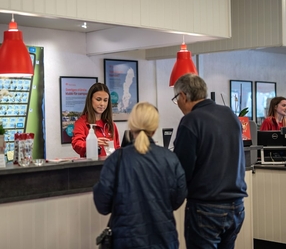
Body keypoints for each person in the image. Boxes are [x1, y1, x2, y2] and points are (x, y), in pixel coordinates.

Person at [93, 102, 187, 248]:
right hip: (164, 240)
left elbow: (102, 205)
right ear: (155, 128)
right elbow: (178, 199)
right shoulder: (170, 158)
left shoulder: (116, 160)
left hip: (125, 241)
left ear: (131, 126)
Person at [172, 73, 247, 249]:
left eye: (176, 99)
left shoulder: (190, 121)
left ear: (183, 95)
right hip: (236, 206)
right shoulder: (230, 115)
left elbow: (182, 169)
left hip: (206, 207)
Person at [72, 83, 120, 157]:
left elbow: (117, 147)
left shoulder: (111, 124)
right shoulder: (81, 123)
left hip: (111, 166)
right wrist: (92, 143)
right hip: (92, 167)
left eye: (105, 100)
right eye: (98, 99)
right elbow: (77, 145)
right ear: (90, 100)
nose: (102, 104)